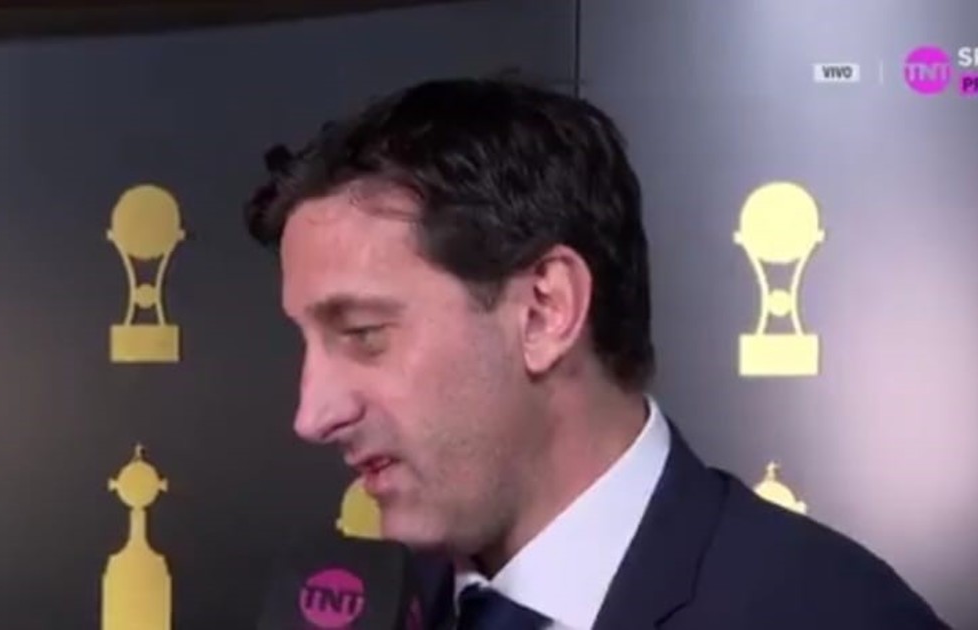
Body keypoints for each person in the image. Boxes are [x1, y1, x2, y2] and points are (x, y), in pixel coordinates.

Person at [242, 78, 948, 630]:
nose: (312, 415)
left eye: (363, 333)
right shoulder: (376, 607)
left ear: (545, 310)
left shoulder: (834, 615)